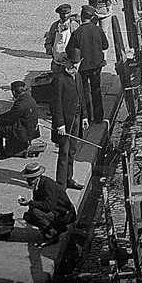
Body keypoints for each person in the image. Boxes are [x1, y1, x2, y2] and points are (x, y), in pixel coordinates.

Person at [67, 5, 110, 124]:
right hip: (97, 65)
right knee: (96, 90)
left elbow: (69, 49)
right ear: (92, 17)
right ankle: (98, 117)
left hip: (83, 67)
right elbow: (105, 45)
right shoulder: (98, 30)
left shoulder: (77, 32)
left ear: (82, 16)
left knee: (84, 91)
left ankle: (88, 117)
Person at [18, 161, 77, 243]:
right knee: (28, 216)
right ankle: (52, 230)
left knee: (35, 213)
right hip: (57, 212)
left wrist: (30, 203)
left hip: (64, 214)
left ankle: (53, 233)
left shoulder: (48, 185)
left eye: (30, 179)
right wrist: (30, 204)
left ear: (37, 177)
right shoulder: (38, 185)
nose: (28, 181)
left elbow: (48, 206)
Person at [0, 81, 41, 159]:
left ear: (14, 92)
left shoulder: (21, 103)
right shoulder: (28, 98)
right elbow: (12, 113)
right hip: (31, 129)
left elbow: (10, 119)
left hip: (22, 131)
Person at [50, 54, 83, 189]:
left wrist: (85, 116)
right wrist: (60, 124)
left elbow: (82, 96)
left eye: (77, 64)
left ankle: (69, 179)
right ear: (67, 62)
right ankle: (61, 185)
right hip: (65, 122)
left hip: (77, 118)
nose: (74, 66)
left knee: (72, 150)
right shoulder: (59, 79)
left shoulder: (78, 76)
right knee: (64, 152)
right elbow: (55, 104)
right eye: (72, 63)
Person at [45, 4, 79, 73]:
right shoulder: (55, 25)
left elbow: (78, 42)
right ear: (59, 14)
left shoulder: (74, 25)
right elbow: (49, 39)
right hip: (56, 59)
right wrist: (49, 49)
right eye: (63, 14)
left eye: (67, 13)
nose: (65, 16)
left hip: (69, 60)